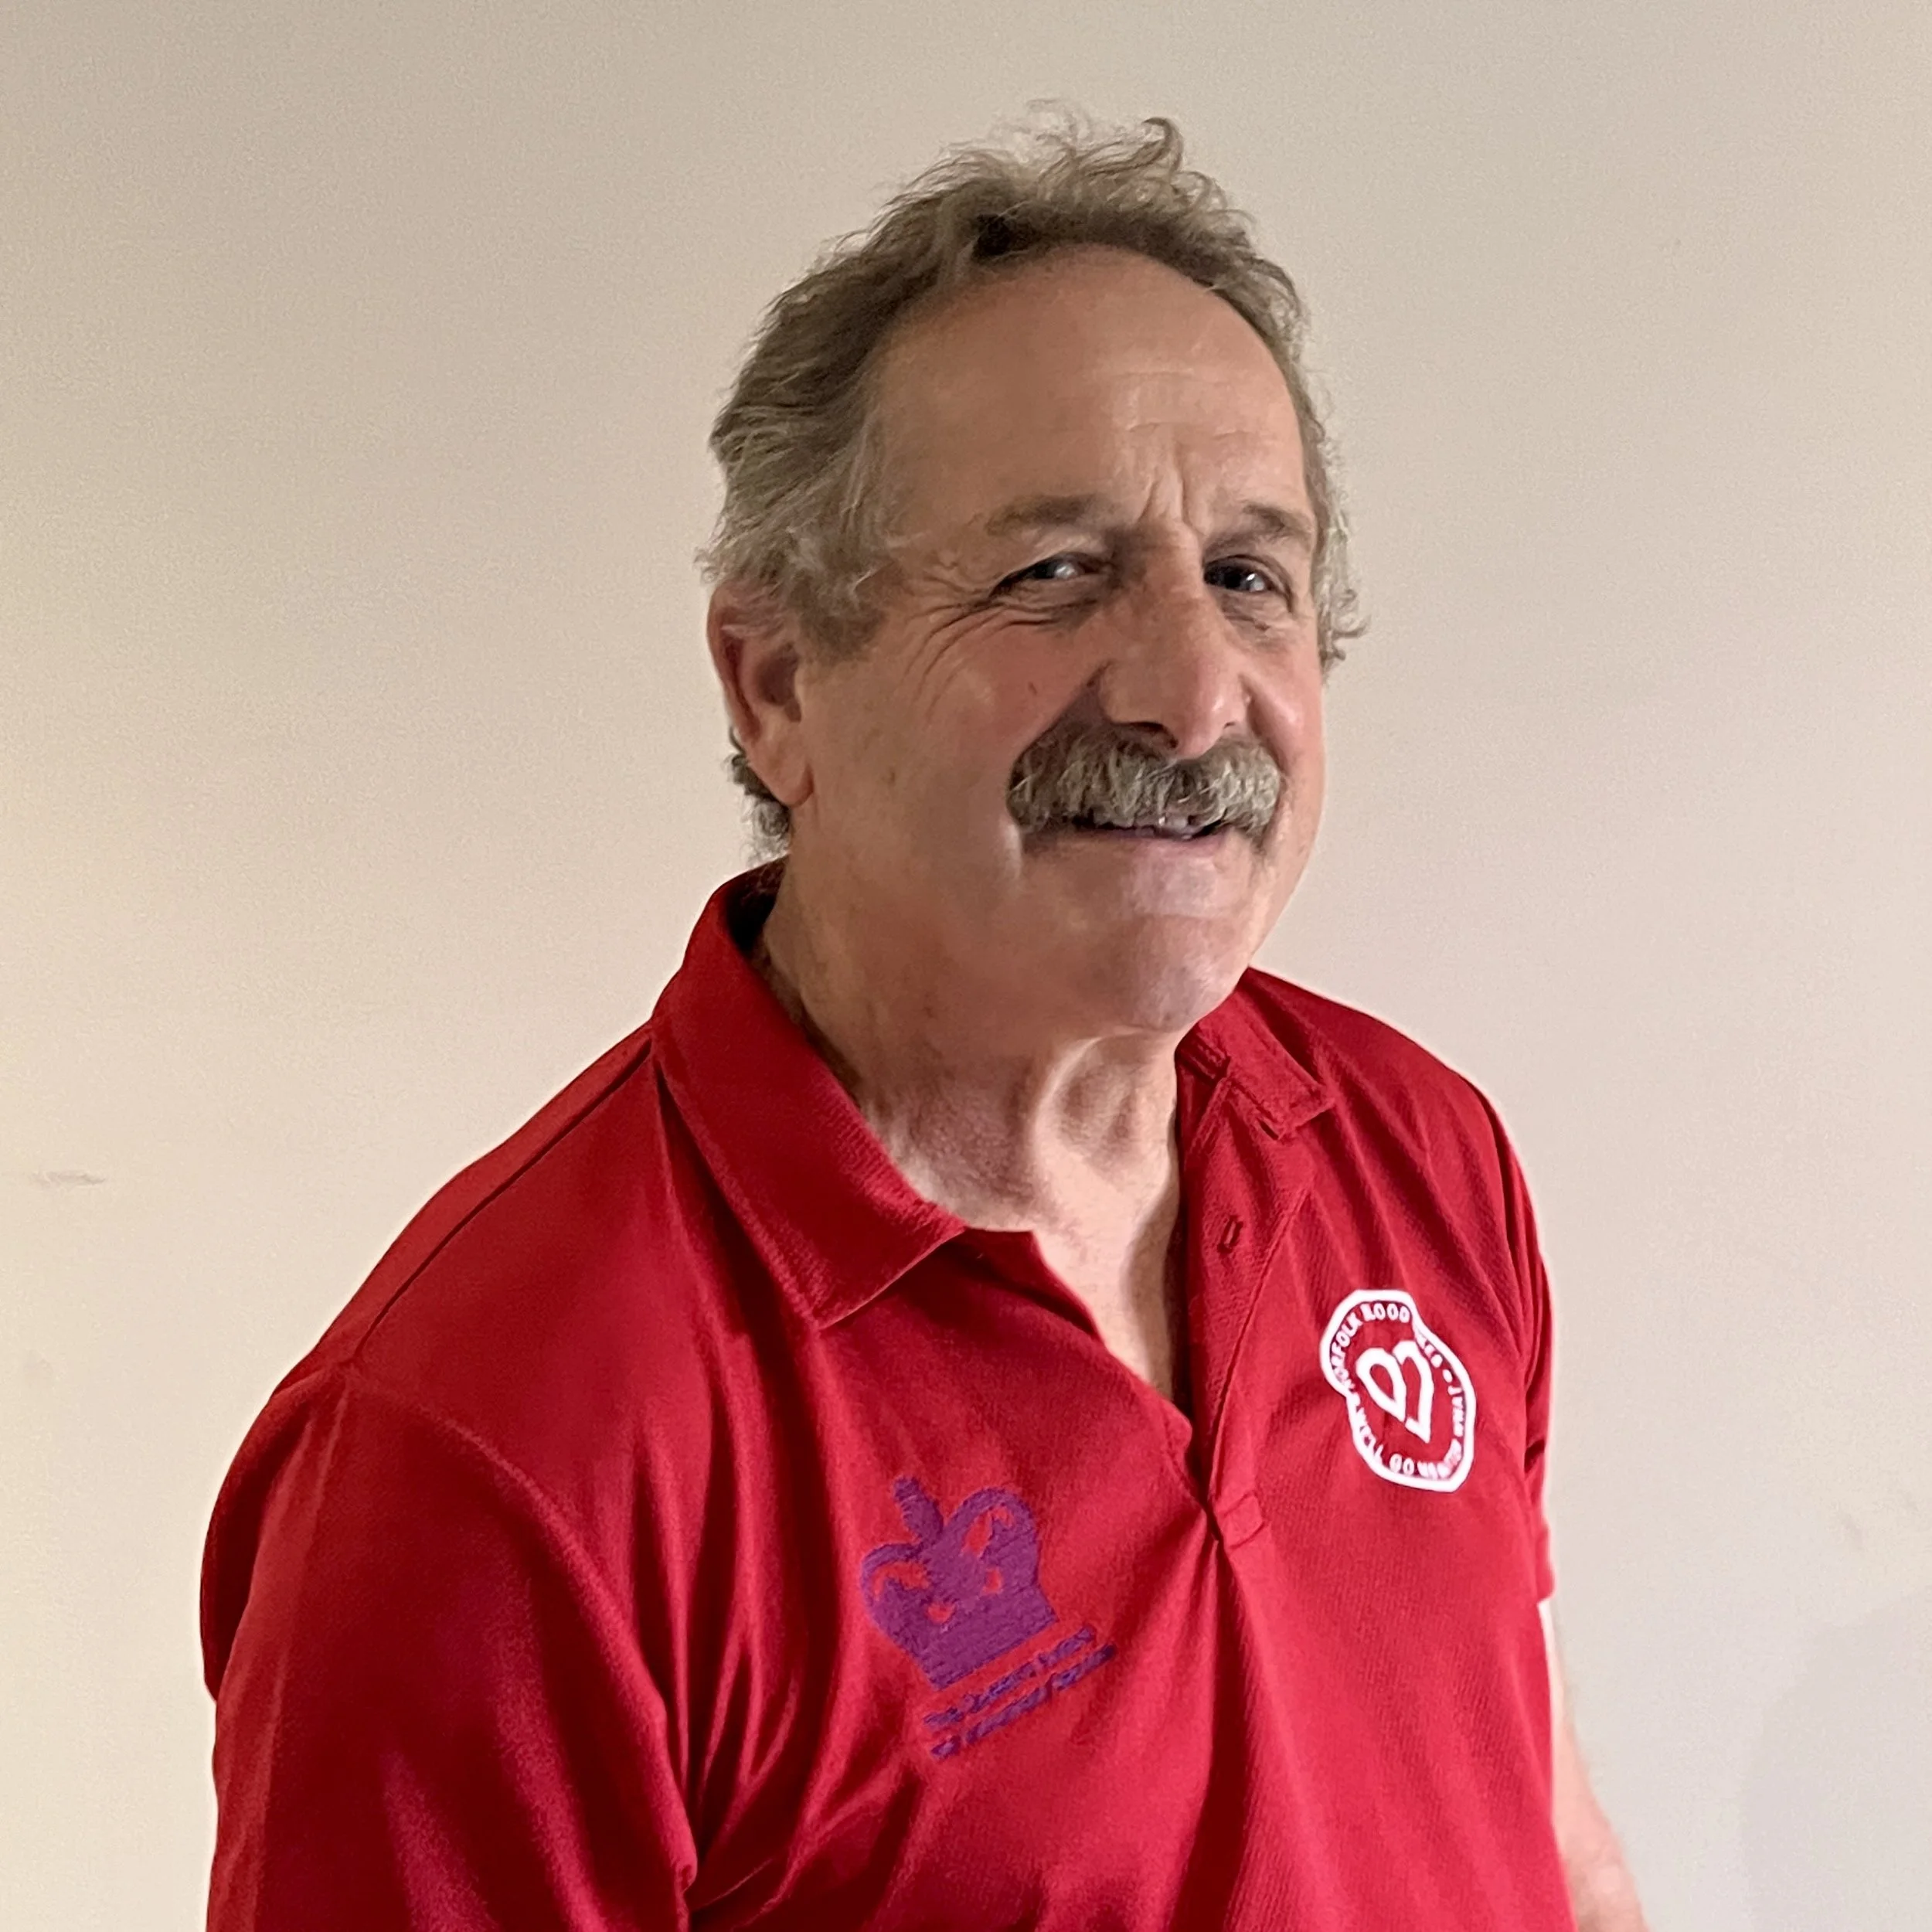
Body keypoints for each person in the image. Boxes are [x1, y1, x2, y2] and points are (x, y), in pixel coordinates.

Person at [201, 117, 1649, 1929]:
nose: (1193, 692)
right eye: (1055, 571)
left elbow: (1545, 1828)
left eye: (1245, 575)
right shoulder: (487, 1446)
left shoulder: (1415, 1149)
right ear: (778, 686)